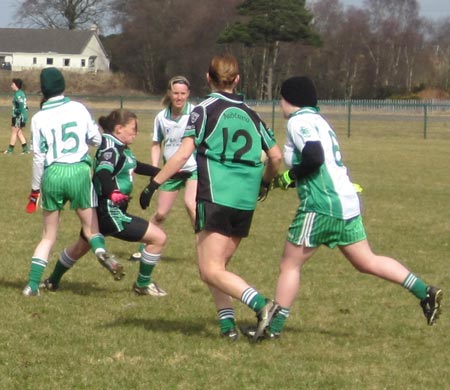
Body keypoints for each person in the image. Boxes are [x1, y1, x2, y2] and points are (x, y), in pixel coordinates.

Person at [257, 76, 443, 338]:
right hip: (346, 202)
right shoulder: (320, 121)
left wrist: (288, 177)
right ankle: (425, 292)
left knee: (290, 265)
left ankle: (272, 329)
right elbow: (317, 164)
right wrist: (289, 180)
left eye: (282, 98)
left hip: (321, 205)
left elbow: (314, 157)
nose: (279, 103)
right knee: (367, 260)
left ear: (292, 100)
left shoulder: (299, 121)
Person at [138, 54, 283, 340]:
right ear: (237, 80)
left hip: (216, 196)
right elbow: (276, 157)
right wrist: (264, 183)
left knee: (210, 268)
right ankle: (228, 327)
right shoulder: (253, 114)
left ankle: (262, 304)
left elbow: (183, 153)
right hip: (245, 202)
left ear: (208, 78)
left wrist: (154, 182)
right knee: (216, 268)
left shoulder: (203, 110)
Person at [41, 109, 187, 296]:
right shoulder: (111, 148)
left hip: (102, 210)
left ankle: (52, 281)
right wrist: (114, 193)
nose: (136, 133)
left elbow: (138, 166)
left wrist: (170, 173)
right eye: (133, 129)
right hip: (111, 212)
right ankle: (142, 285)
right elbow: (103, 172)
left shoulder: (119, 146)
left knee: (80, 247)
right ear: (119, 129)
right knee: (158, 238)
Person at [23, 67, 123, 297]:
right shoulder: (78, 107)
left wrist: (35, 189)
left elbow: (38, 156)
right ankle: (100, 251)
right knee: (91, 228)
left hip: (53, 173)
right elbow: (97, 139)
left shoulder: (38, 118)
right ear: (63, 86)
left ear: (43, 90)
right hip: (78, 171)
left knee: (48, 236)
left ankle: (32, 285)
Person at [129, 76, 197, 261]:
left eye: (183, 93)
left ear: (188, 94)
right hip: (171, 170)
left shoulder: (196, 114)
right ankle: (145, 247)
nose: (179, 97)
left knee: (192, 206)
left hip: (193, 168)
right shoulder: (161, 117)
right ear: (169, 93)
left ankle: (204, 250)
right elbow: (156, 143)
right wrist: (155, 169)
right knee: (160, 214)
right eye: (175, 93)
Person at [4, 78, 30, 154]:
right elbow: (25, 106)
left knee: (14, 132)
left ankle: (10, 150)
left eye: (12, 84)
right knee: (19, 132)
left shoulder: (18, 94)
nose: (11, 86)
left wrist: (16, 111)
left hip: (18, 116)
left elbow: (21, 105)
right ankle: (26, 150)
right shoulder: (20, 93)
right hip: (22, 115)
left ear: (16, 85)